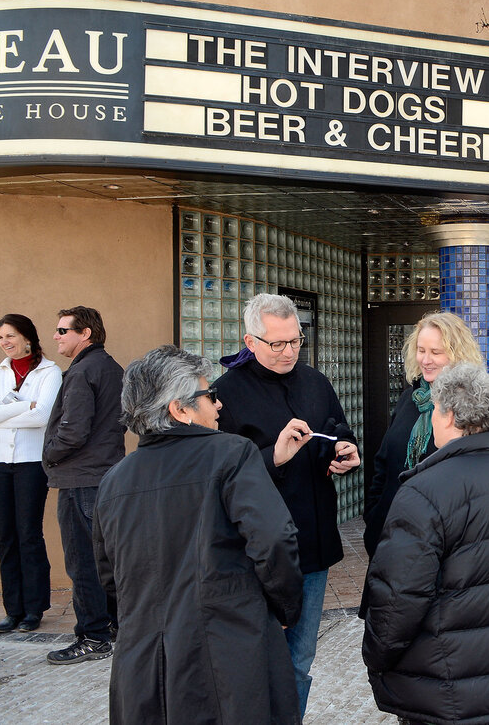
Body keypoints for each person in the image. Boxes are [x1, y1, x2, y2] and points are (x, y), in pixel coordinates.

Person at [93, 345, 302, 724]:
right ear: (180, 409)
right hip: (227, 653)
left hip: (144, 664)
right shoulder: (231, 454)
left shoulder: (113, 481)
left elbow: (110, 576)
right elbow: (273, 539)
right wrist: (286, 607)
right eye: (210, 396)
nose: (218, 405)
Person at [363, 363, 489, 725]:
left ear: (451, 415)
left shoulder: (423, 492)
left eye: (436, 410)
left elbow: (398, 599)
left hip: (441, 682)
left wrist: (376, 658)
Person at [213, 293, 360, 716]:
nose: (288, 352)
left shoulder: (315, 381)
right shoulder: (224, 395)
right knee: (258, 661)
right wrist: (273, 456)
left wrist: (344, 450)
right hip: (255, 553)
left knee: (299, 659)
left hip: (312, 544)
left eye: (295, 341)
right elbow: (221, 480)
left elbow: (337, 427)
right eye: (277, 343)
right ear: (250, 341)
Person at [363, 311, 484, 560]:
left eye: (435, 352)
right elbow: (384, 461)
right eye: (421, 350)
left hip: (439, 545)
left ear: (457, 354)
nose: (425, 360)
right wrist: (374, 517)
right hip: (390, 537)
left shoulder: (473, 406)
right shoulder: (411, 398)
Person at [42, 306, 125, 665]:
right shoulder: (111, 368)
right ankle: (117, 626)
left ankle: (92, 637)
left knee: (83, 563)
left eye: (63, 331)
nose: (56, 336)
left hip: (81, 480)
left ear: (85, 333)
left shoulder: (82, 372)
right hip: (107, 476)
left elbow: (73, 431)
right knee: (108, 559)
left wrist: (49, 455)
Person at [0, 314, 60, 634]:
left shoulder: (49, 372)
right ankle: (13, 609)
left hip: (30, 461)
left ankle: (34, 609)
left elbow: (43, 416)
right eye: (0, 338)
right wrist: (22, 406)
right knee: (5, 537)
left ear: (27, 337)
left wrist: (3, 411)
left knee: (28, 533)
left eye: (10, 336)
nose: (5, 342)